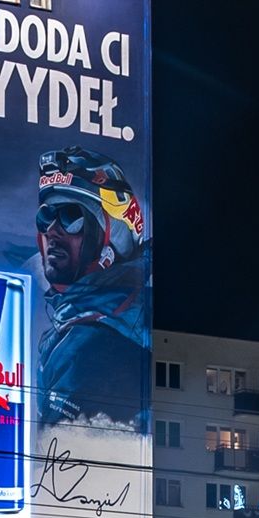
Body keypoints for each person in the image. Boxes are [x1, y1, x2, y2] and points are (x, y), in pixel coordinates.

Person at [32, 147, 152, 431]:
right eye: (46, 216)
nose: (52, 230)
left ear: (116, 236)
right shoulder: (83, 322)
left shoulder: (94, 347)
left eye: (71, 216)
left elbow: (59, 461)